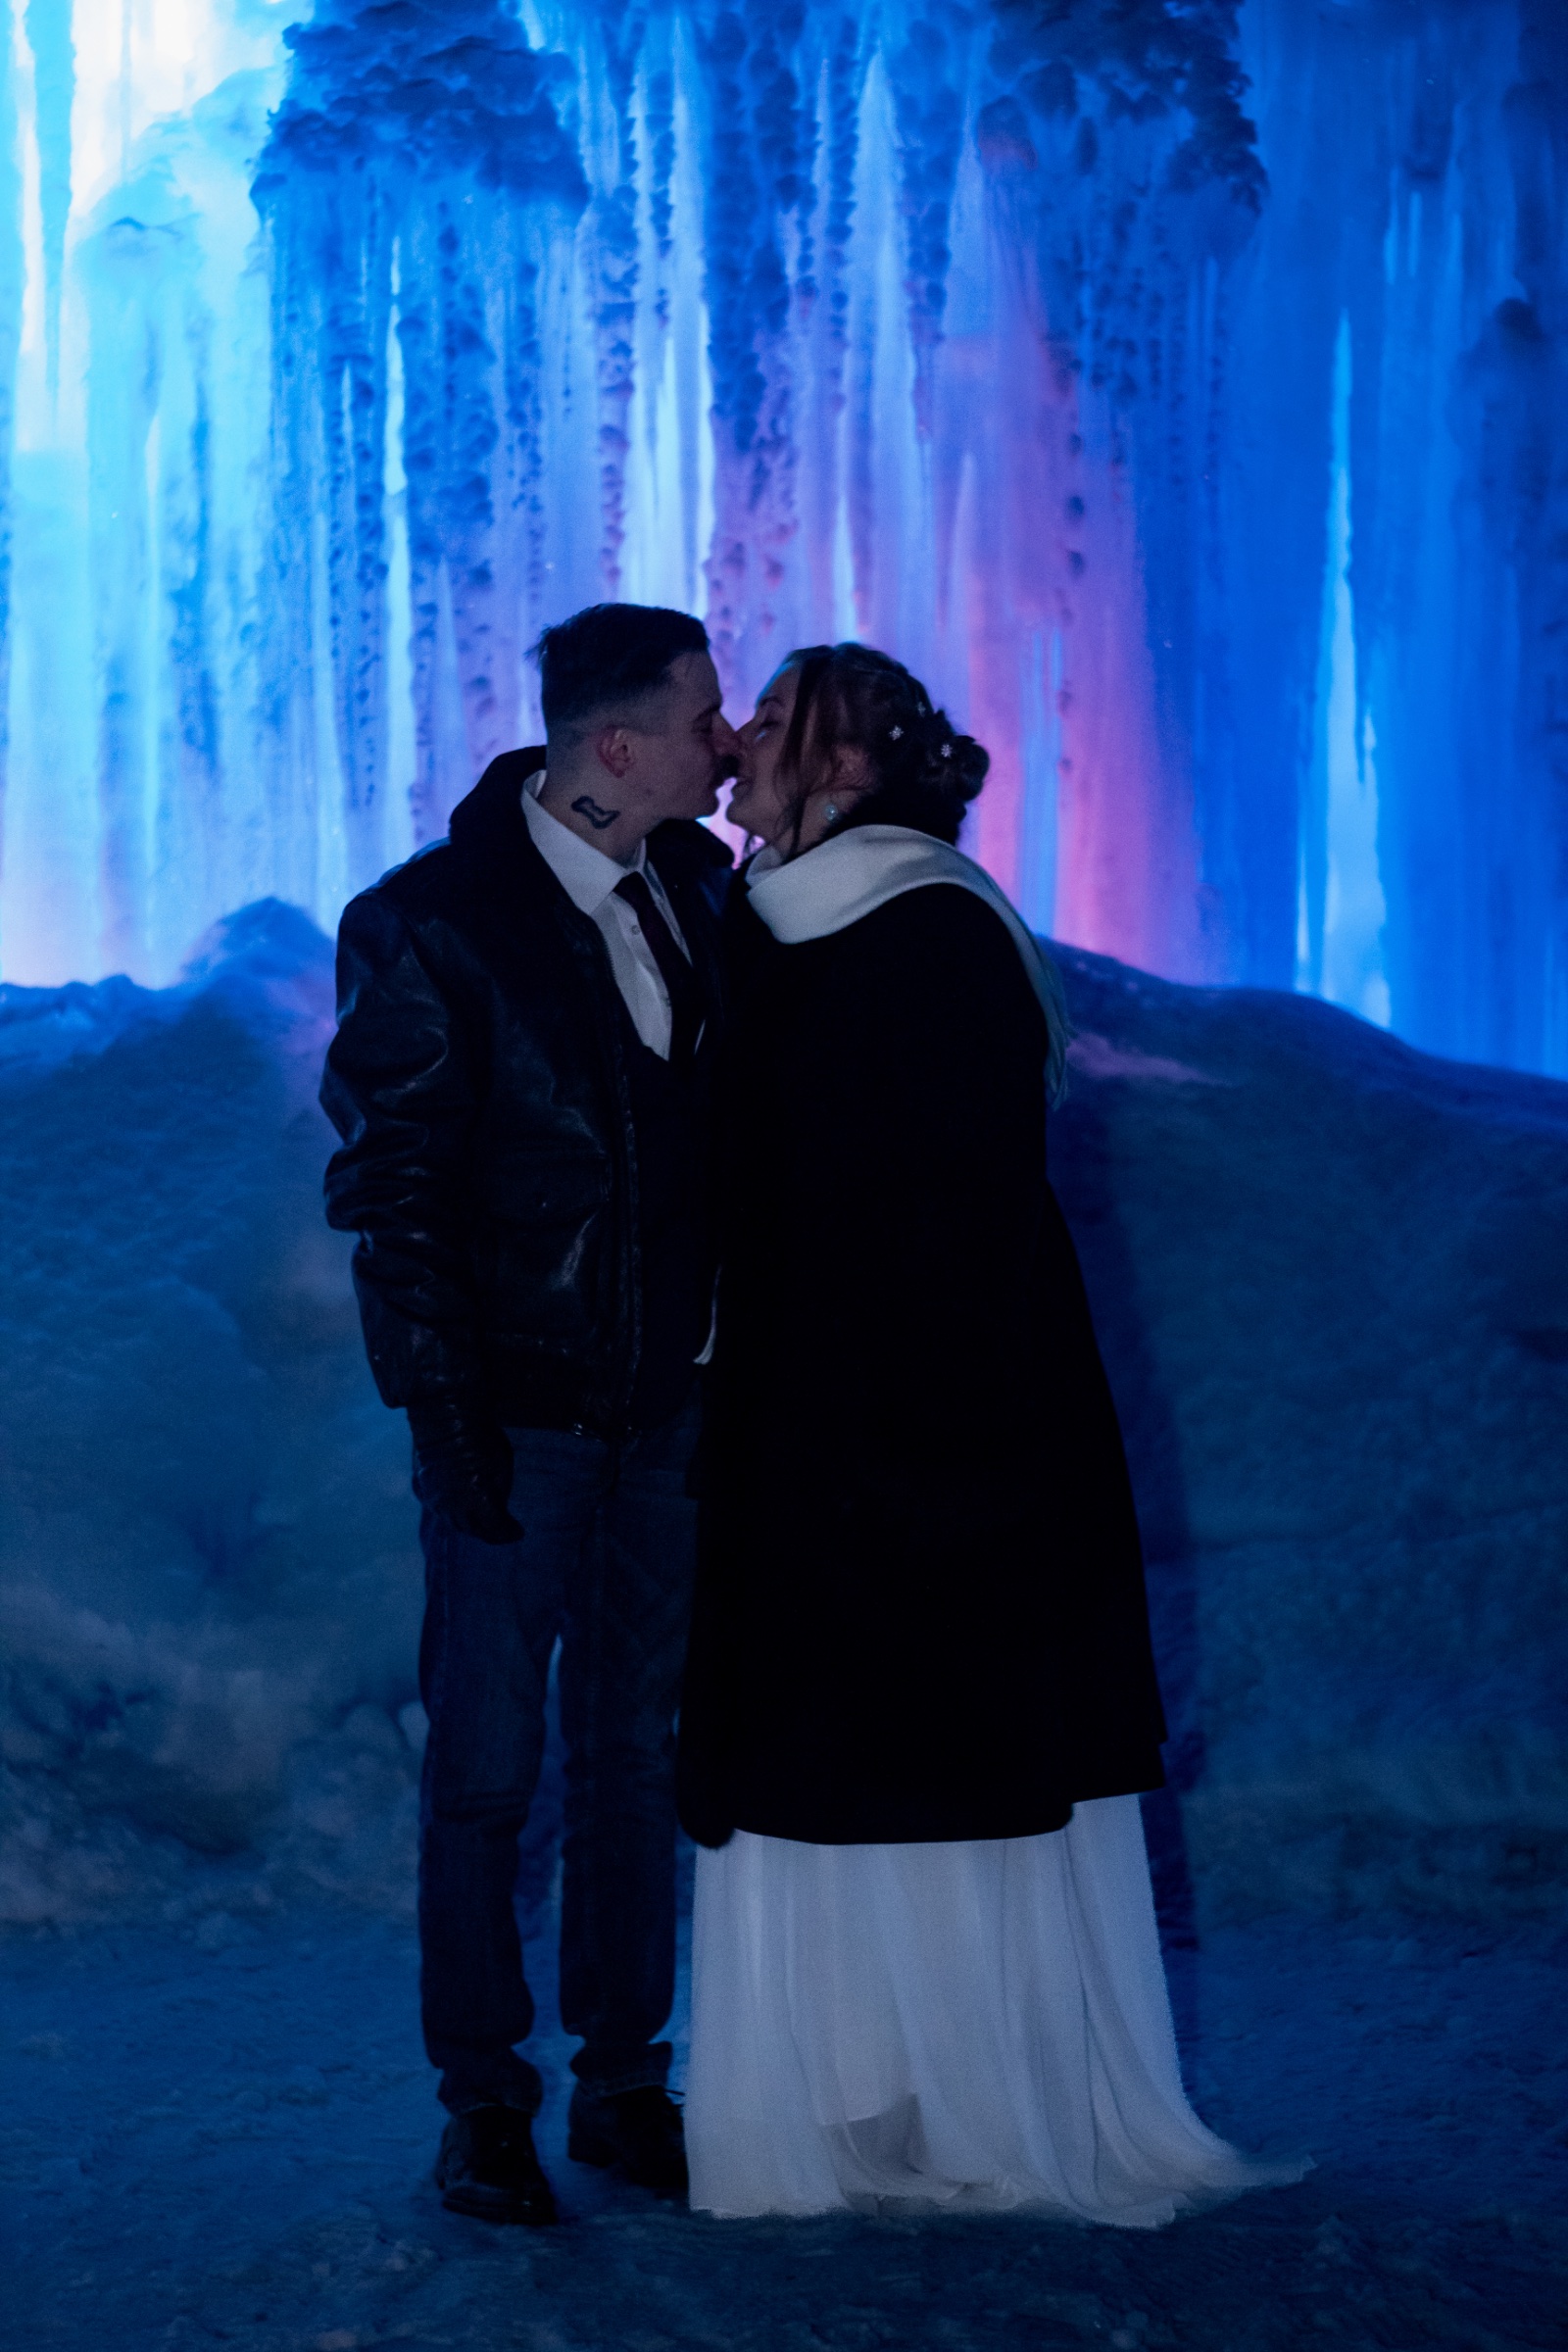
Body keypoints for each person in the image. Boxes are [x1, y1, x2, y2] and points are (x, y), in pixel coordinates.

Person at [676, 642, 1307, 2222]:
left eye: (778, 718)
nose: (741, 735)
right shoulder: (769, 927)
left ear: (846, 771)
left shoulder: (930, 932)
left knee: (929, 1749)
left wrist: (903, 1435)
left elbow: (959, 1219)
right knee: (821, 1755)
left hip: (930, 1434)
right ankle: (851, 2093)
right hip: (806, 1419)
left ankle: (970, 2102)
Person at [322, 603, 738, 2225]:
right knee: (487, 1773)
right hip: (524, 1420)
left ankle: (625, 2082)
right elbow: (393, 1188)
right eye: (706, 716)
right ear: (617, 748)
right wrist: (448, 1415)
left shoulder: (701, 889)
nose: (733, 740)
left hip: (670, 1420)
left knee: (636, 1757)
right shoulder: (433, 923)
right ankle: (484, 2105)